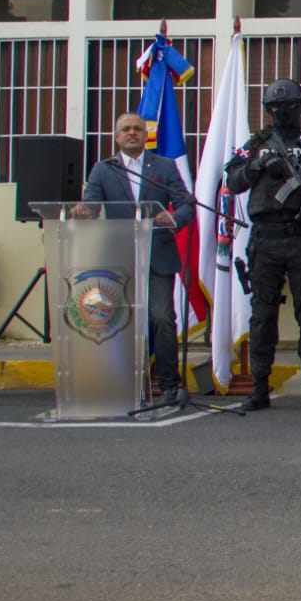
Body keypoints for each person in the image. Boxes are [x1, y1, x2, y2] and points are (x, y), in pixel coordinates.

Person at [225, 79, 301, 410]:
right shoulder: (256, 144)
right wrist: (258, 165)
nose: (282, 112)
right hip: (266, 237)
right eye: (276, 108)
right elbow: (231, 180)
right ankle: (259, 385)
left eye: (289, 106)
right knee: (262, 313)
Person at [79, 112, 193, 405]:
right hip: (120, 259)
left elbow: (186, 205)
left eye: (137, 129)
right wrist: (83, 212)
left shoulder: (163, 166)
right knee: (118, 321)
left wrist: (173, 218)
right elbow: (91, 206)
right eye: (125, 129)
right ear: (116, 137)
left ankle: (169, 385)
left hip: (158, 256)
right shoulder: (104, 170)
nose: (131, 133)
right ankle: (118, 383)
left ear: (146, 135)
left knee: (162, 319)